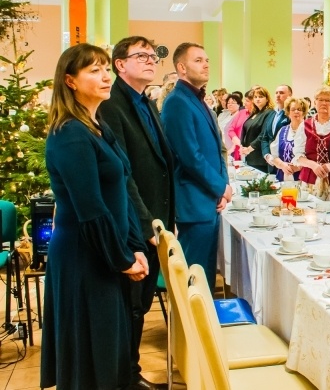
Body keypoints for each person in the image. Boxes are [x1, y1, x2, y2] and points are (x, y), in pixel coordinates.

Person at [41, 44, 148, 390]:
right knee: (90, 356)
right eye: (94, 70)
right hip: (83, 256)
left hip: (106, 252)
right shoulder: (69, 133)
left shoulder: (97, 125)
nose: (105, 76)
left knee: (108, 349)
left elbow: (122, 191)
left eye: (106, 68)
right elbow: (91, 210)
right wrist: (121, 258)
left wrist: (133, 247)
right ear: (70, 81)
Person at [98, 36, 175, 390]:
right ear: (119, 65)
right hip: (135, 221)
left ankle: (130, 371)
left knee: (140, 305)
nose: (149, 60)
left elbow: (160, 162)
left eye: (152, 56)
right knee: (131, 305)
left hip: (156, 218)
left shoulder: (146, 102)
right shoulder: (112, 105)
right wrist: (145, 224)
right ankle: (125, 376)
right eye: (139, 55)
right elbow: (123, 173)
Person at [161, 42, 232, 288]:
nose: (206, 64)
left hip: (208, 198)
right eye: (198, 60)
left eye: (207, 60)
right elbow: (190, 156)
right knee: (196, 276)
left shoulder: (198, 100)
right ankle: (193, 326)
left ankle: (206, 323)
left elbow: (217, 149)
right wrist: (220, 187)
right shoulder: (177, 102)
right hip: (193, 200)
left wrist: (223, 186)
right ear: (181, 68)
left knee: (207, 274)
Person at [293, 86, 330, 191]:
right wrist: (313, 165)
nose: (324, 103)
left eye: (328, 100)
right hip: (309, 180)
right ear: (314, 103)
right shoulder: (304, 125)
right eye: (320, 99)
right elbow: (298, 154)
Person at [265, 96, 307, 182]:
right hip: (282, 178)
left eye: (299, 109)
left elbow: (312, 156)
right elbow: (275, 155)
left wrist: (298, 166)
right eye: (293, 109)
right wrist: (282, 165)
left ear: (304, 113)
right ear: (288, 112)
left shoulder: (308, 130)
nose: (296, 112)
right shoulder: (282, 130)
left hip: (303, 179)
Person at [258, 84, 291, 175]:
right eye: (276, 93)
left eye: (281, 93)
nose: (277, 95)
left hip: (285, 161)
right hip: (271, 161)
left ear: (289, 96)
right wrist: (267, 155)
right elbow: (265, 137)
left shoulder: (291, 115)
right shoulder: (271, 114)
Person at [239, 86, 272, 173]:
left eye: (261, 97)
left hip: (259, 157)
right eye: (255, 97)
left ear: (267, 99)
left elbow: (263, 134)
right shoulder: (255, 112)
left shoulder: (269, 113)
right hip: (249, 156)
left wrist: (249, 148)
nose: (258, 99)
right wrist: (242, 146)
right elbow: (246, 130)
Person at [226, 92, 248, 161]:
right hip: (236, 147)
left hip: (247, 148)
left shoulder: (240, 113)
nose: (230, 105)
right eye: (228, 103)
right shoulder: (242, 112)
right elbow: (230, 129)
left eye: (232, 103)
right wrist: (237, 141)